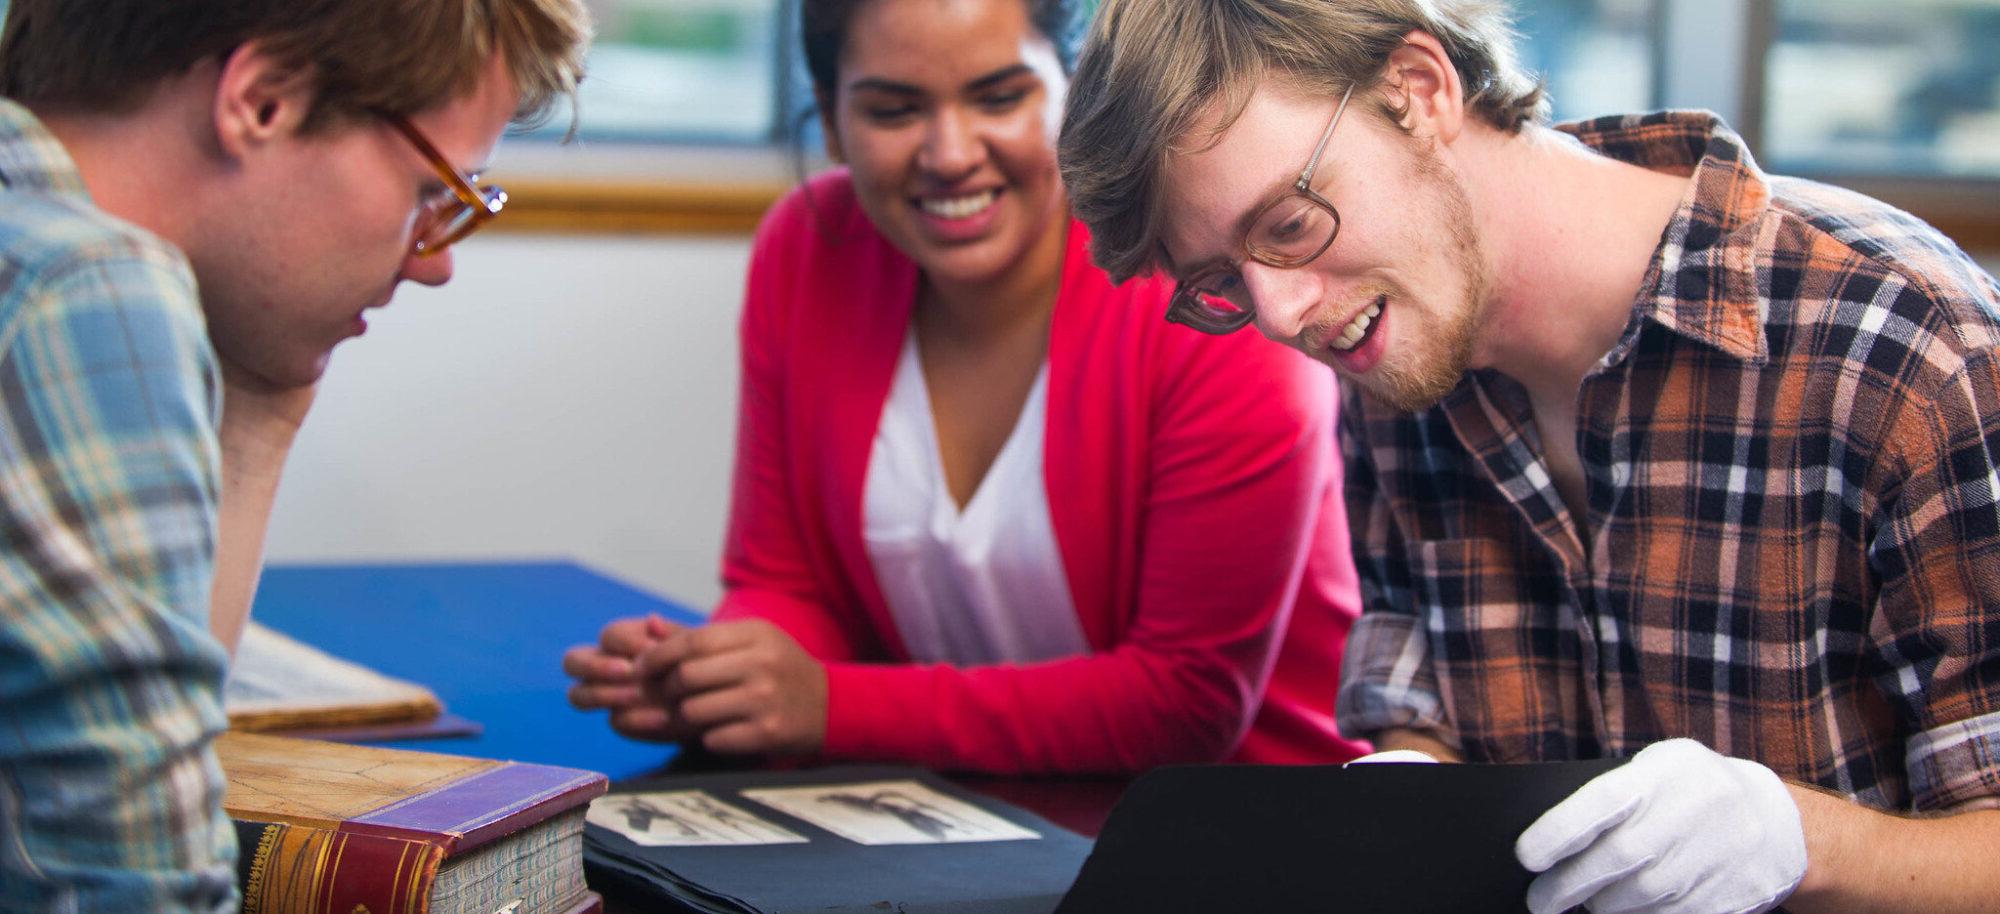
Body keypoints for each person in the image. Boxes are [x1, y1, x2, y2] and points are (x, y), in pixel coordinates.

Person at [1058, 0, 2000, 911]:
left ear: (1421, 91)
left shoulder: (1902, 346)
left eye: (1292, 224)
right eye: (1221, 284)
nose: (1282, 316)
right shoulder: (1391, 348)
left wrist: (1806, 847)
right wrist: (1401, 798)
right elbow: (1427, 715)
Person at [563, 0, 1368, 776]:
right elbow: (787, 585)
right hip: (944, 814)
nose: (950, 152)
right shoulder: (807, 249)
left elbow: (1188, 703)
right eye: (892, 110)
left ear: (1075, 90)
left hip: (1233, 831)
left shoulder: (1206, 293)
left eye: (999, 97)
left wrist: (829, 707)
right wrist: (723, 677)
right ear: (832, 118)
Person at [0, 2, 589, 909]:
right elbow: (135, 885)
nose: (436, 262)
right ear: (264, 100)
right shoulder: (81, 285)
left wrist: (265, 413)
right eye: (435, 192)